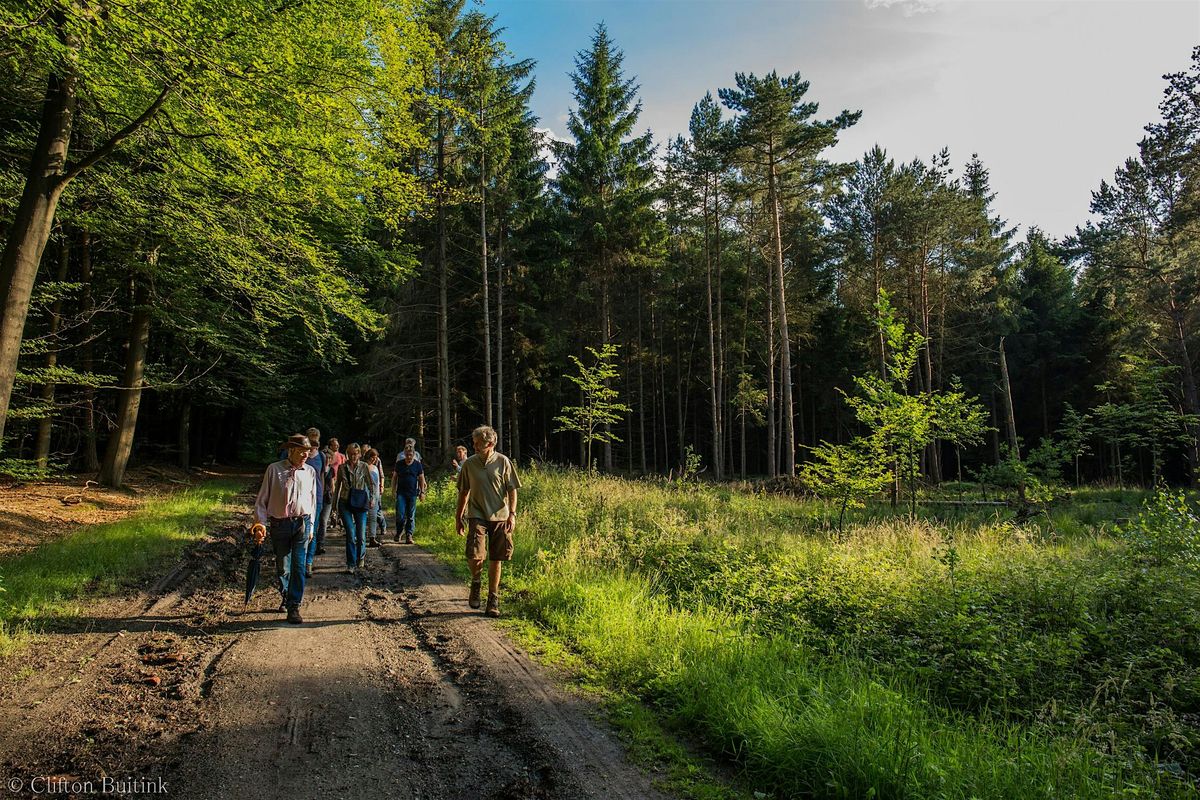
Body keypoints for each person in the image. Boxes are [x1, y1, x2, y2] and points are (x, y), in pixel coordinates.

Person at [455, 425, 520, 618]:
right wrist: (458, 517)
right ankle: (476, 581)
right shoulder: (469, 464)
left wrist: (513, 514)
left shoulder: (503, 462)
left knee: (496, 558)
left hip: (500, 516)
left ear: (490, 444)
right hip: (476, 515)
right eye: (473, 443)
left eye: (478, 444)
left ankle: (493, 598)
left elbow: (512, 490)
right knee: (475, 556)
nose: (474, 447)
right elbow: (463, 492)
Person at [253, 434, 318, 625]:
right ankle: (286, 594)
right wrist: (260, 525)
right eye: (302, 452)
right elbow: (262, 500)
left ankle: (294, 606)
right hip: (279, 524)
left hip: (302, 523)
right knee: (283, 566)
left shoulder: (310, 472)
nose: (306, 455)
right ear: (291, 451)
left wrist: (312, 525)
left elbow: (313, 500)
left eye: (307, 452)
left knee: (299, 566)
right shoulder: (274, 469)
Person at [332, 443, 372, 573]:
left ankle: (360, 557)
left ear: (359, 454)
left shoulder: (364, 466)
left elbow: (370, 484)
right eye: (351, 454)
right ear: (347, 454)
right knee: (350, 533)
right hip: (345, 502)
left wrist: (372, 499)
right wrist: (334, 505)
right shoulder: (342, 468)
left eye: (356, 453)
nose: (353, 456)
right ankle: (350, 563)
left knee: (360, 534)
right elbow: (337, 486)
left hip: (360, 502)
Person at [391, 443, 426, 544]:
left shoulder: (417, 465)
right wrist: (393, 490)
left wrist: (422, 492)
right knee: (400, 515)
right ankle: (399, 532)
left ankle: (409, 535)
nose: (409, 457)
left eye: (411, 455)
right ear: (404, 454)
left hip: (412, 493)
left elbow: (421, 478)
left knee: (411, 515)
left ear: (414, 455)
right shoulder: (399, 464)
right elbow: (394, 477)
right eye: (407, 455)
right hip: (401, 493)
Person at [303, 434, 326, 579]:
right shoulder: (301, 456)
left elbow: (322, 476)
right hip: (301, 497)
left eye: (315, 444)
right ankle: (299, 561)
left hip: (316, 498)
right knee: (301, 531)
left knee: (312, 530)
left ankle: (308, 563)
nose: (313, 447)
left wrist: (322, 495)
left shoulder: (321, 457)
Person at [322, 438, 346, 538]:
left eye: (337, 445)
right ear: (330, 446)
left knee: (338, 500)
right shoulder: (327, 455)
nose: (337, 446)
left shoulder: (342, 456)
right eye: (334, 445)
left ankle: (339, 518)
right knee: (331, 499)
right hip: (329, 479)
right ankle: (333, 518)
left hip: (339, 480)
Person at [364, 448, 385, 548]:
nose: (375, 459)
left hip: (375, 496)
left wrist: (377, 495)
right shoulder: (364, 467)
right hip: (366, 496)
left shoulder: (375, 467)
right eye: (374, 457)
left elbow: (377, 483)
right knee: (363, 517)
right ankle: (361, 537)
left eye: (376, 457)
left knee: (373, 517)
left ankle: (372, 538)